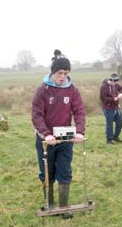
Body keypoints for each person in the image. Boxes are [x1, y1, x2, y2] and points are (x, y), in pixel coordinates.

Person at [31, 50, 86, 218]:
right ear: (53, 73)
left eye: (66, 73)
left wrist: (80, 131)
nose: (62, 76)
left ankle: (63, 208)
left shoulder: (72, 90)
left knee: (64, 172)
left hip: (65, 140)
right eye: (59, 73)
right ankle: (50, 205)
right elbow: (36, 115)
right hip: (46, 141)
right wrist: (46, 134)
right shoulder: (42, 90)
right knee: (47, 173)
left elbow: (79, 111)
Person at [100, 73, 122, 144]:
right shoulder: (104, 87)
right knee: (109, 124)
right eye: (115, 81)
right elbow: (103, 98)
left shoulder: (116, 85)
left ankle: (115, 137)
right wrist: (113, 99)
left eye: (117, 81)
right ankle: (109, 140)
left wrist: (121, 93)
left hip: (116, 107)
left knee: (120, 122)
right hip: (108, 108)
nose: (116, 83)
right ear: (111, 80)